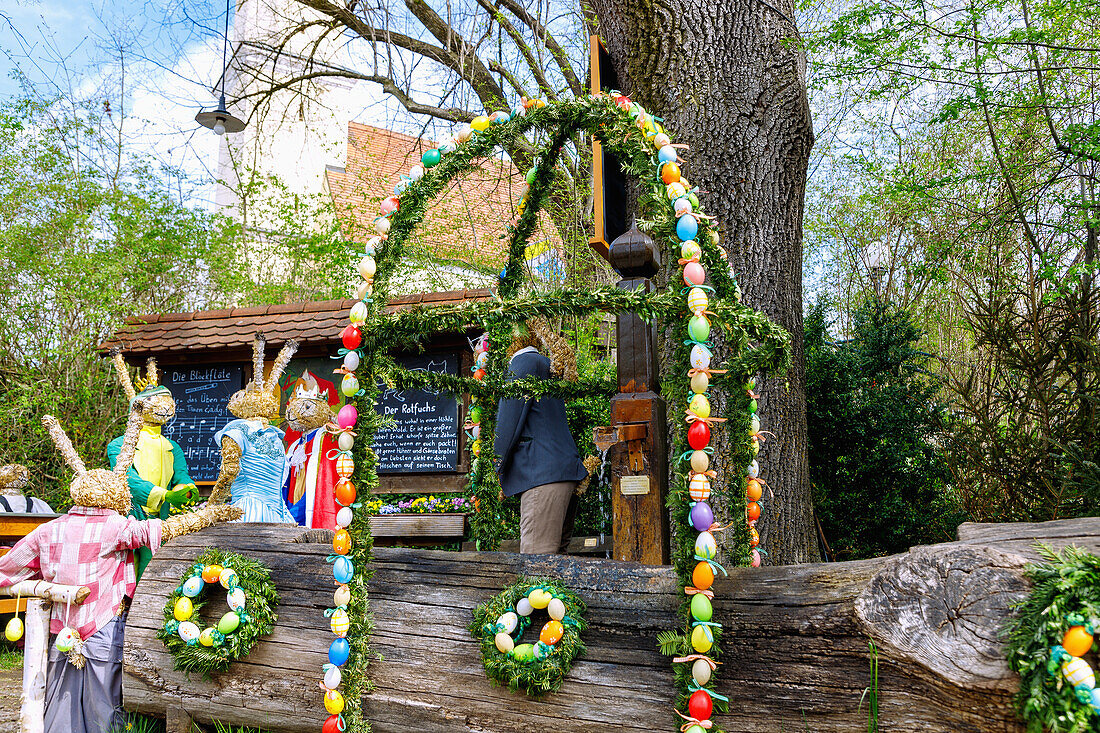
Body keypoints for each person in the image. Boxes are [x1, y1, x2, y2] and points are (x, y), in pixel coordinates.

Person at [0, 404, 241, 733]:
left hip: (61, 633)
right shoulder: (117, 527)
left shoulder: (49, 530)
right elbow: (161, 530)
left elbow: (8, 568)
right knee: (106, 710)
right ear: (116, 496)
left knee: (59, 705)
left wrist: (39, 580)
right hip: (104, 630)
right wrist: (210, 515)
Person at [494, 322, 588, 554]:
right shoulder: (544, 364)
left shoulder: (523, 363)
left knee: (536, 564)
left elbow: (509, 423)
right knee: (556, 564)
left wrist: (494, 467)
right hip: (562, 472)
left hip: (541, 476)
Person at [106, 350, 199, 580]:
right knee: (127, 571)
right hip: (130, 518)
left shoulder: (172, 447)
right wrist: (164, 495)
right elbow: (127, 478)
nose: (164, 407)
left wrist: (186, 490)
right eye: (156, 401)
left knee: (159, 572)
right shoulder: (119, 445)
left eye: (167, 401)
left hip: (164, 522)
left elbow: (181, 475)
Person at [209, 333, 298, 523]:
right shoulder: (275, 437)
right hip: (278, 515)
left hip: (247, 511)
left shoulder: (236, 431)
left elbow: (229, 472)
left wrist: (212, 507)